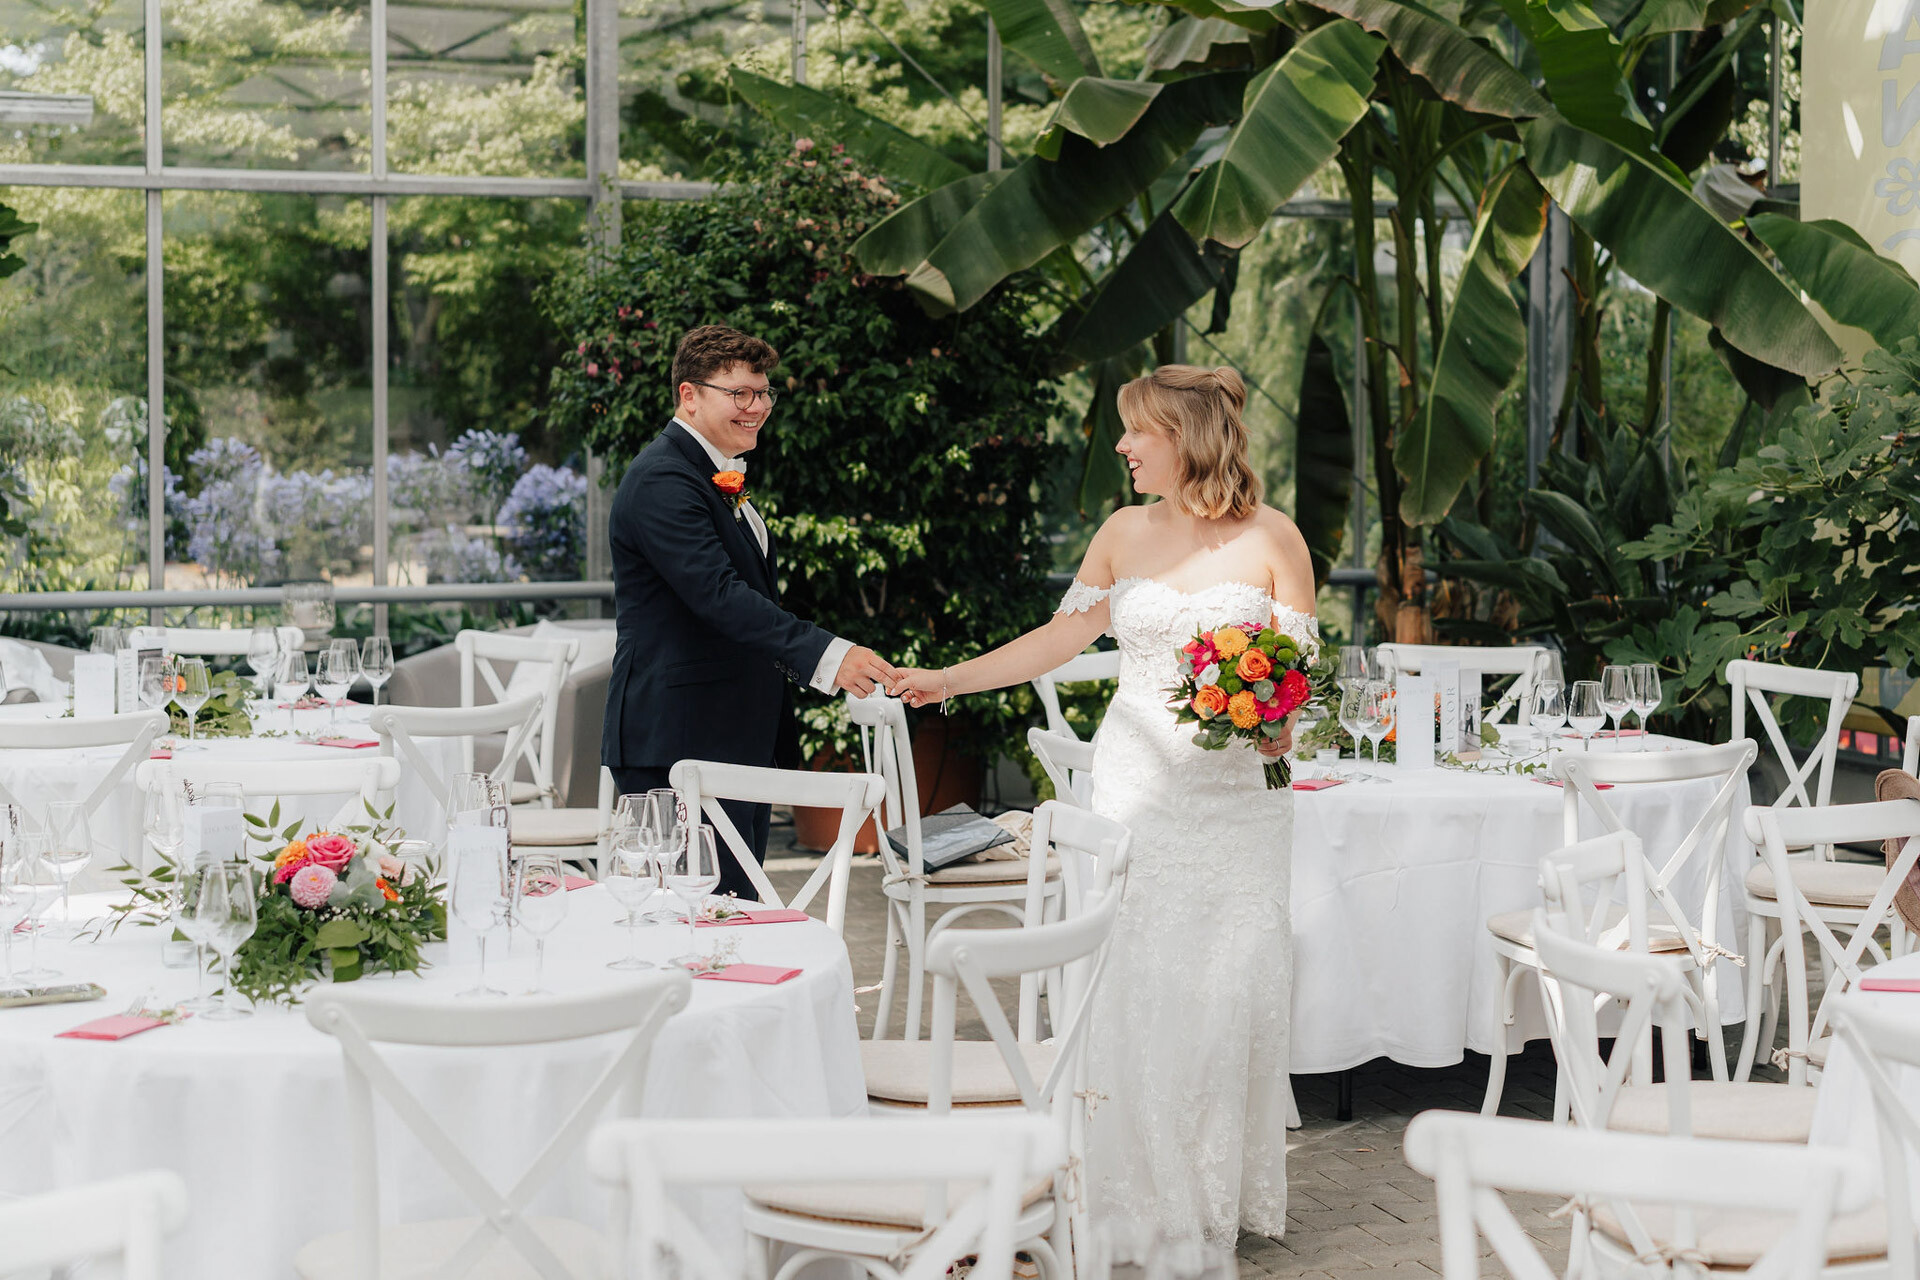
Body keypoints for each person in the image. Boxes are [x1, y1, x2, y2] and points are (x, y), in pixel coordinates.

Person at [891, 364, 1315, 1243]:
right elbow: (1056, 638)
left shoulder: (1278, 538)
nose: (1121, 445)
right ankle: (1131, 1192)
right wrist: (946, 681)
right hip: (1140, 794)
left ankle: (1211, 1197)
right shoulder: (1121, 532)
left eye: (1137, 431)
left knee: (1234, 984)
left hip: (1240, 801)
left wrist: (1280, 729)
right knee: (1141, 980)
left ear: (1189, 436)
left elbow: (1299, 679)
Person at [602, 324, 898, 899]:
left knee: (732, 921)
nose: (758, 407)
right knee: (688, 920)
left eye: (763, 393)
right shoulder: (664, 478)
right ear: (690, 394)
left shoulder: (711, 476)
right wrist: (828, 657)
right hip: (678, 741)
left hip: (730, 737)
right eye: (740, 393)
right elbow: (719, 596)